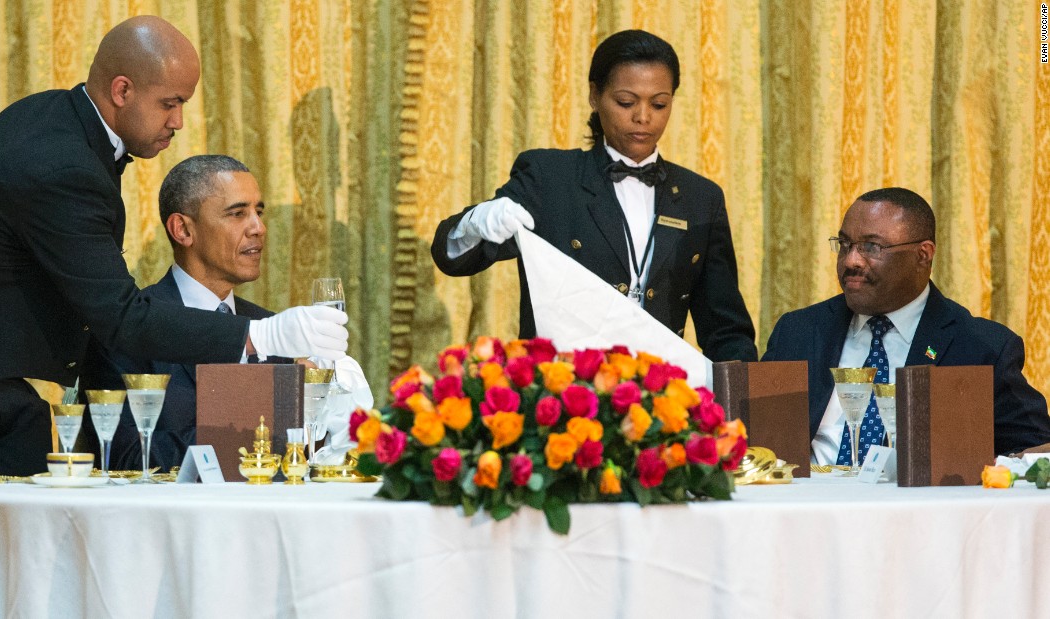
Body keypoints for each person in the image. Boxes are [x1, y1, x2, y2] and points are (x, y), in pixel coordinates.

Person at [0, 16, 348, 476]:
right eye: (169, 104)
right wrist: (261, 336)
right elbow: (120, 318)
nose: (178, 121)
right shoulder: (63, 165)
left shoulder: (42, 116)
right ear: (122, 91)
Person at [430, 29, 756, 363]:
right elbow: (453, 259)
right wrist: (473, 225)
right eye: (626, 102)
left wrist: (749, 401)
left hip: (663, 400)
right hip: (563, 396)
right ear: (594, 95)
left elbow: (726, 330)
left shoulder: (700, 197)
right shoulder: (550, 177)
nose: (643, 117)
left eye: (659, 103)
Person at [79, 155, 372, 470]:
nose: (258, 228)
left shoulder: (275, 329)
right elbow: (124, 461)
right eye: (237, 213)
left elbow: (303, 459)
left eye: (259, 212)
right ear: (182, 230)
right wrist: (269, 408)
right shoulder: (124, 332)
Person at [762, 187, 1050, 462]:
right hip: (807, 504)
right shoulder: (798, 331)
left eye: (871, 247)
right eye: (845, 244)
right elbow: (753, 439)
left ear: (923, 255)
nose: (851, 260)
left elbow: (1035, 451)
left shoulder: (980, 347)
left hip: (921, 508)